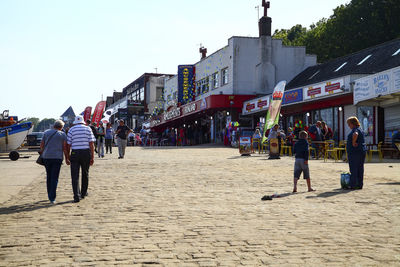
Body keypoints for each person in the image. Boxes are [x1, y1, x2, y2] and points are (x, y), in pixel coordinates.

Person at [66, 115, 96, 202]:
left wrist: (67, 157)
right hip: (85, 152)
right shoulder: (88, 129)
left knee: (74, 175)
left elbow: (68, 144)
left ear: (75, 122)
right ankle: (83, 193)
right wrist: (92, 157)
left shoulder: (71, 129)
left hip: (75, 152)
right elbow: (91, 144)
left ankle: (76, 195)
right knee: (85, 173)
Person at [40, 120, 68, 204]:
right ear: (61, 127)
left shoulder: (46, 132)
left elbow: (42, 145)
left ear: (54, 126)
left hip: (46, 157)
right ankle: (52, 197)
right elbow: (64, 147)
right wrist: (67, 158)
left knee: (49, 176)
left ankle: (49, 194)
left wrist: (43, 152)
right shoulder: (62, 134)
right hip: (57, 157)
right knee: (54, 177)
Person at [346, 116, 366, 190]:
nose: (348, 126)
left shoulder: (355, 129)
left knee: (353, 168)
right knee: (360, 168)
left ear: (352, 123)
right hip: (361, 151)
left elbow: (355, 134)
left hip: (354, 152)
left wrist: (353, 142)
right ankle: (359, 184)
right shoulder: (361, 129)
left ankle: (353, 184)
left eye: (349, 124)